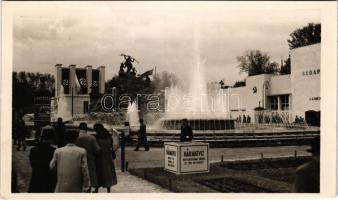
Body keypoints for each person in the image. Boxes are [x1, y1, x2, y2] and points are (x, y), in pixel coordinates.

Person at [29, 126, 56, 192]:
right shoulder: (54, 151)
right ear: (52, 138)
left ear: (42, 136)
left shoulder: (33, 150)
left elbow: (33, 165)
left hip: (35, 182)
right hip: (49, 183)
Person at [76, 122, 101, 193]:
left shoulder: (76, 137)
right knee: (90, 176)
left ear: (79, 128)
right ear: (86, 128)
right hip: (89, 160)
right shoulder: (91, 138)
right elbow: (97, 150)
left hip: (77, 160)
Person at [96, 127, 117, 193]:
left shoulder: (98, 139)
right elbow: (111, 147)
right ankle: (108, 189)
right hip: (108, 157)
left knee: (98, 173)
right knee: (108, 173)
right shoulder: (109, 138)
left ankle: (96, 189)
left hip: (100, 157)